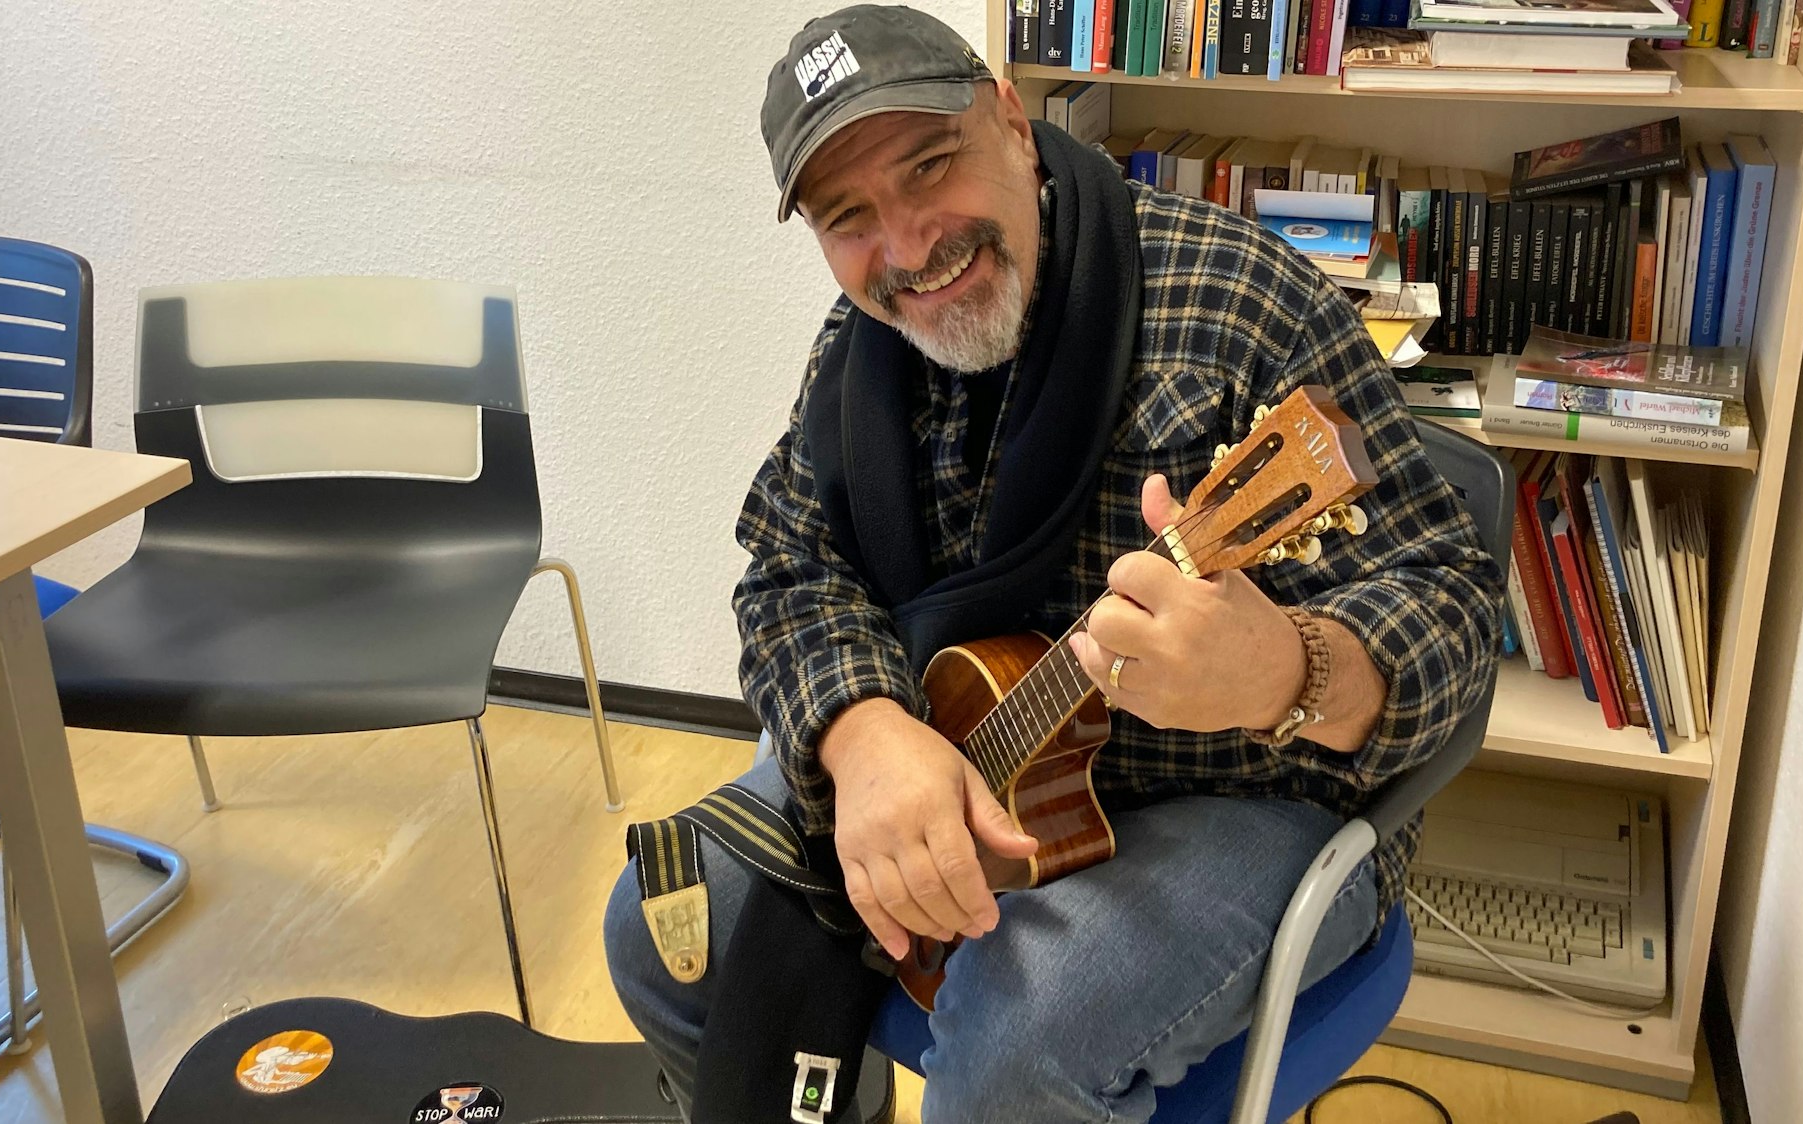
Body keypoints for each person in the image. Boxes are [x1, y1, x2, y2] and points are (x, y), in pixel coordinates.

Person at [603, 6, 1504, 1121]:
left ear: (1014, 127)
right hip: (959, 744)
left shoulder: (1244, 304)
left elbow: (1451, 608)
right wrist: (865, 732)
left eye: (931, 165)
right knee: (659, 923)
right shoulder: (857, 353)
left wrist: (1290, 670)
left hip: (1240, 798)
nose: (910, 247)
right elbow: (788, 569)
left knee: (1011, 1044)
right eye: (849, 218)